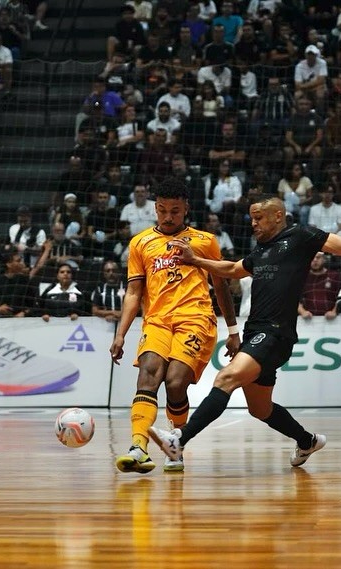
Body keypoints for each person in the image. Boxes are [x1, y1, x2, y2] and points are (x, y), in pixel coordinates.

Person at [147, 197, 341, 468]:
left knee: (226, 378)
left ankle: (179, 439)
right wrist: (196, 260)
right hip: (256, 331)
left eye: (258, 218)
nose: (253, 224)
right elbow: (232, 269)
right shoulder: (261, 250)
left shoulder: (302, 236)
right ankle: (307, 441)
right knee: (260, 409)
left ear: (278, 216)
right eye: (251, 219)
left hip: (276, 333)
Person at [110, 177, 241, 474]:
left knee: (176, 382)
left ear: (186, 210)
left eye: (176, 211)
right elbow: (133, 293)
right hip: (156, 320)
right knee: (148, 375)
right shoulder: (140, 243)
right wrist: (120, 334)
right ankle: (138, 446)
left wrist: (233, 332)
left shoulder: (204, 241)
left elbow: (221, 287)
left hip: (196, 318)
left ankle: (176, 444)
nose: (169, 217)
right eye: (163, 211)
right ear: (155, 209)